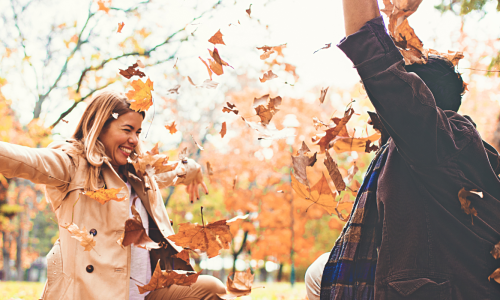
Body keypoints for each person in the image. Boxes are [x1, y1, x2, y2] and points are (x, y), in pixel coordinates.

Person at [305, 1, 500, 299]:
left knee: (319, 276)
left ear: (417, 97)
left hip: (437, 289)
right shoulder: (465, 146)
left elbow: (372, 52)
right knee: (319, 271)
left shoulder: (432, 139)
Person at [0, 90, 226, 300]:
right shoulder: (72, 165)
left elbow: (176, 171)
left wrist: (193, 169)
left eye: (137, 132)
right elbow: (26, 161)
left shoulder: (138, 174)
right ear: (100, 127)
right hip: (95, 293)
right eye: (127, 130)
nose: (134, 139)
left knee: (212, 290)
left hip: (147, 292)